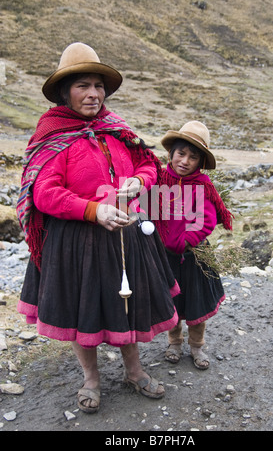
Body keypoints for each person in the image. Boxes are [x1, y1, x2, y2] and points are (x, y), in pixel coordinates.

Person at [16, 42, 179, 414]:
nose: (93, 94)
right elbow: (44, 193)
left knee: (129, 304)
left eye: (98, 86)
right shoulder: (52, 136)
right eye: (83, 86)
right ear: (65, 91)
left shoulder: (116, 128)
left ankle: (134, 371)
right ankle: (91, 378)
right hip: (77, 241)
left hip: (128, 233)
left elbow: (148, 164)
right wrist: (93, 211)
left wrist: (139, 181)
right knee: (81, 309)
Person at [154, 121, 233, 370]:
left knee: (197, 303)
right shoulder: (158, 181)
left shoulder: (202, 186)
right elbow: (148, 212)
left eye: (193, 157)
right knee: (172, 302)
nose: (185, 161)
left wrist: (186, 240)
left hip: (194, 256)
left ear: (200, 162)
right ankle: (174, 342)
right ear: (171, 153)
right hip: (164, 257)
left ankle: (197, 346)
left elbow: (207, 220)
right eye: (181, 153)